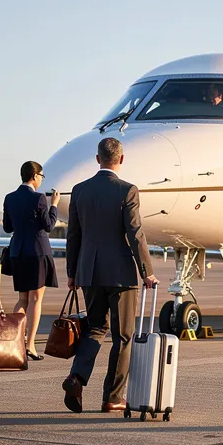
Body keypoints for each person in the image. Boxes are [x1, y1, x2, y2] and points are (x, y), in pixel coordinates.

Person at [63, 137, 158, 413]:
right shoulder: (127, 190)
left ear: (97, 159)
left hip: (89, 272)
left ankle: (76, 378)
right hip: (120, 275)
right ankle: (112, 397)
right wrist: (147, 272)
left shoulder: (79, 190)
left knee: (94, 329)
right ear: (122, 159)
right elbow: (135, 233)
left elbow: (73, 236)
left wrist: (72, 272)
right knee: (123, 336)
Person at [2, 161, 61, 361]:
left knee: (22, 299)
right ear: (35, 176)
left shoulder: (9, 198)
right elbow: (49, 225)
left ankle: (15, 340)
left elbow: (7, 228)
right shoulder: (39, 199)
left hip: (17, 252)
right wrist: (54, 206)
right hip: (37, 252)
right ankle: (30, 345)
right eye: (41, 176)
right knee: (36, 299)